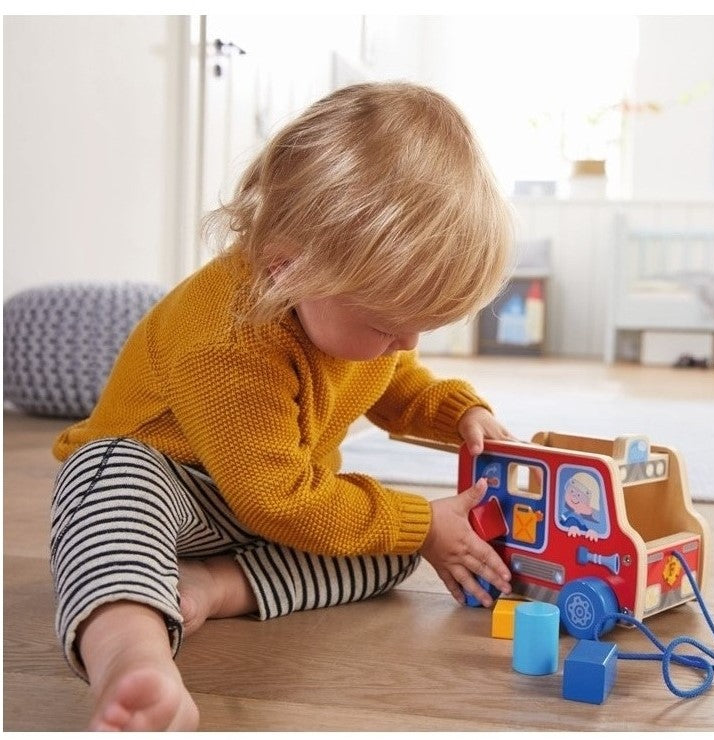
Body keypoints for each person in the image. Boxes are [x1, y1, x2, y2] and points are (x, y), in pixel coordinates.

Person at [48, 81, 516, 731]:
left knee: (396, 542)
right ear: (284, 270)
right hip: (174, 487)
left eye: (419, 327)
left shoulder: (344, 313)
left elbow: (392, 376)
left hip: (269, 500)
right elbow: (277, 500)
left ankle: (218, 585)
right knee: (108, 483)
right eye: (388, 324)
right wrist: (420, 519)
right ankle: (132, 652)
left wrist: (457, 412)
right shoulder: (227, 342)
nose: (404, 343)